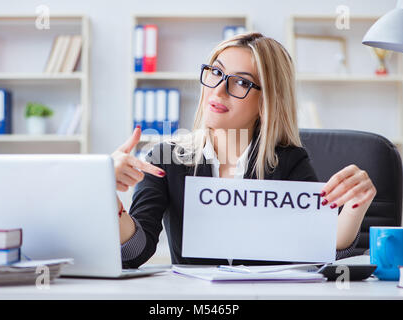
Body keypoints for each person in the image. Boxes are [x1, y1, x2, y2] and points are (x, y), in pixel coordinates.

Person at [111, 32, 377, 268]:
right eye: (216, 72)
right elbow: (134, 253)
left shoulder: (287, 161)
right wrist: (108, 197)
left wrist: (355, 208)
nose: (219, 90)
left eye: (241, 82)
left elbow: (320, 253)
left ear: (267, 100)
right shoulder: (166, 158)